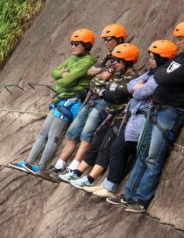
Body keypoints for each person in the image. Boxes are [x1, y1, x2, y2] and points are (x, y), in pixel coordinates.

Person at [107, 19, 184, 213]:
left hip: (170, 112)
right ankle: (128, 195)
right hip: (156, 109)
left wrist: (160, 76)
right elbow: (160, 73)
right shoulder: (181, 58)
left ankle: (141, 199)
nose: (177, 42)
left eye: (180, 39)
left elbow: (162, 76)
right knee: (142, 153)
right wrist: (161, 76)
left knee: (153, 156)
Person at [83, 40, 177, 196]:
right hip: (134, 116)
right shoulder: (151, 73)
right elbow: (132, 85)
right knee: (116, 149)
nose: (150, 60)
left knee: (119, 149)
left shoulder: (161, 74)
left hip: (142, 118)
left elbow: (140, 92)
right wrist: (136, 87)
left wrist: (137, 88)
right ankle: (108, 184)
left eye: (153, 58)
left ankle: (111, 187)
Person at [37, 24, 127, 181]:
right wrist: (100, 71)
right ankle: (59, 165)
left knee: (86, 135)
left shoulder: (122, 58)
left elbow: (104, 76)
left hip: (101, 101)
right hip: (91, 97)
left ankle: (73, 169)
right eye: (104, 39)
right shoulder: (106, 58)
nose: (106, 42)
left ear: (119, 38)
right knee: (73, 132)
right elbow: (91, 72)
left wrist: (99, 72)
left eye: (109, 39)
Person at [8, 29, 97, 173]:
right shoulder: (74, 58)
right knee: (43, 132)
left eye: (76, 43)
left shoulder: (87, 62)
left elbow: (68, 81)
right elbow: (54, 72)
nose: (72, 46)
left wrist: (64, 77)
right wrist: (63, 73)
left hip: (70, 101)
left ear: (86, 45)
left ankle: (42, 166)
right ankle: (29, 162)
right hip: (61, 99)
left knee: (53, 135)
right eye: (71, 43)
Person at [59, 43, 140, 188]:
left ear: (127, 61)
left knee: (106, 147)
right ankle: (76, 173)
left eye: (119, 60)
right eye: (115, 60)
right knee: (96, 143)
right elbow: (99, 85)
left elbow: (115, 95)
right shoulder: (117, 73)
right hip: (110, 113)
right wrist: (105, 92)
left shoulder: (132, 76)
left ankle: (90, 179)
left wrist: (104, 93)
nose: (115, 63)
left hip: (120, 116)